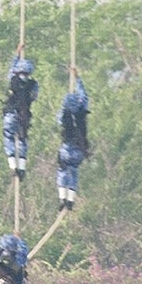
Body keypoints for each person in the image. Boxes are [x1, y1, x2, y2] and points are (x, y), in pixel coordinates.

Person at [55, 75, 88, 212]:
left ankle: (63, 198)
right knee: (73, 173)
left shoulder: (64, 115)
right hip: (80, 150)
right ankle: (71, 199)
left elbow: (58, 120)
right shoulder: (82, 112)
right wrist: (78, 80)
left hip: (67, 149)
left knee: (63, 170)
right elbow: (84, 97)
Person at [2, 58, 37, 179]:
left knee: (8, 137)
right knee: (22, 140)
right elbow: (33, 97)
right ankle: (21, 168)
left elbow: (11, 69)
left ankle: (13, 166)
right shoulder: (33, 85)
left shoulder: (13, 79)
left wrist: (17, 54)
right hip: (24, 116)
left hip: (11, 114)